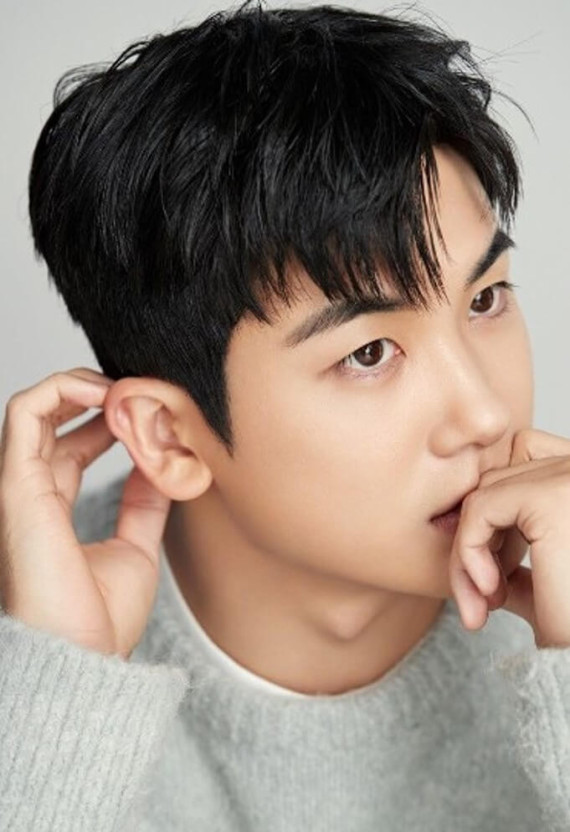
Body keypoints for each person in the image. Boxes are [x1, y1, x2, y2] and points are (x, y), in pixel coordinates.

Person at [2, 1, 570, 829]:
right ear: (167, 437)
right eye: (368, 353)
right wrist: (57, 698)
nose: (484, 413)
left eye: (485, 299)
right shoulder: (34, 644)